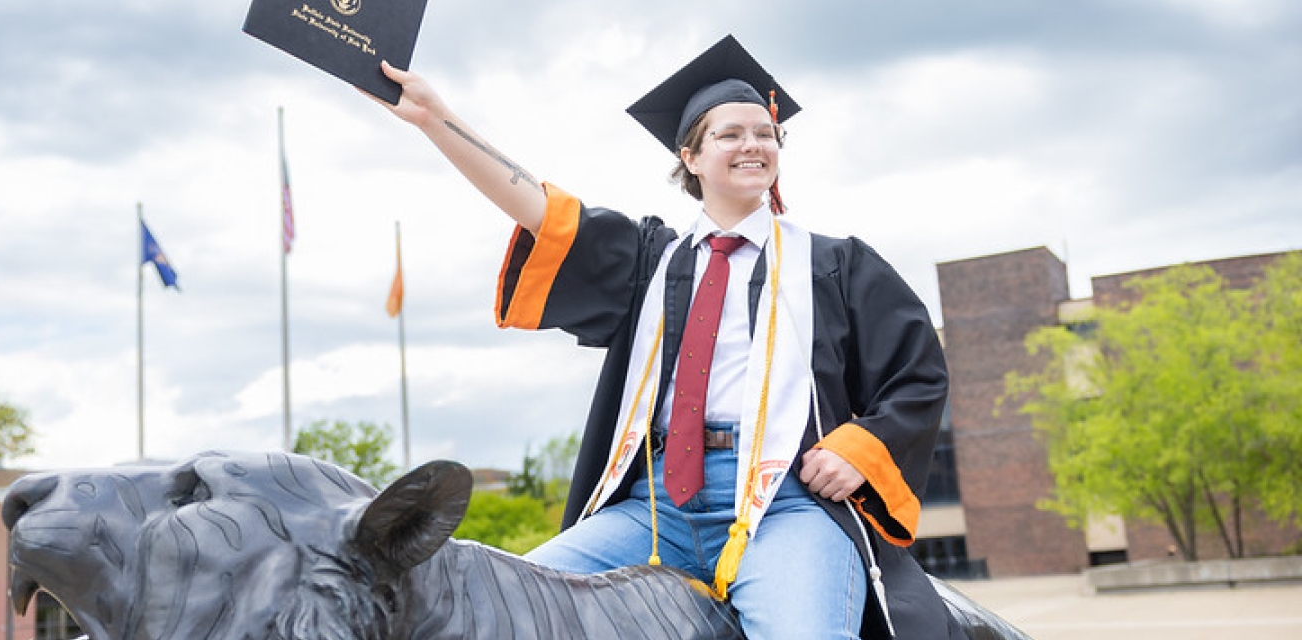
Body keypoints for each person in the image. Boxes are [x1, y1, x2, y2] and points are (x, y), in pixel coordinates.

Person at [373, 35, 957, 639]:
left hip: (782, 508)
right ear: (692, 157)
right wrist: (435, 120)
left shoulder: (835, 267)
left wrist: (859, 446)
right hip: (653, 510)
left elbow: (917, 373)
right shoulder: (649, 263)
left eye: (765, 133)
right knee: (509, 608)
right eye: (729, 134)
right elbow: (538, 208)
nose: (752, 144)